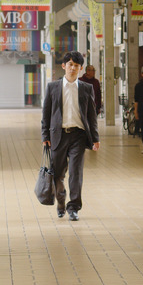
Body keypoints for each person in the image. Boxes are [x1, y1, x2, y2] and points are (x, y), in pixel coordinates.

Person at [41, 51, 100, 221]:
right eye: (70, 64)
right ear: (64, 66)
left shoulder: (86, 88)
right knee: (58, 174)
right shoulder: (53, 87)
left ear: (80, 68)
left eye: (76, 65)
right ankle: (61, 201)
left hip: (78, 136)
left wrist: (95, 138)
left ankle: (73, 207)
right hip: (58, 135)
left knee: (76, 173)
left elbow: (91, 115)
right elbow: (46, 114)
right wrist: (45, 134)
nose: (73, 68)